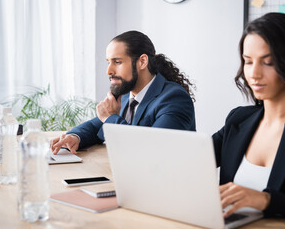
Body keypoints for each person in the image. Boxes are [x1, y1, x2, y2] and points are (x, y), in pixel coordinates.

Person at [212, 12, 285, 228]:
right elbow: (189, 161)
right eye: (247, 61)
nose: (253, 74)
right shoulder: (238, 119)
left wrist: (267, 201)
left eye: (268, 62)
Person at [51, 30, 196, 154]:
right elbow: (98, 124)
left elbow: (152, 150)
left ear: (142, 62)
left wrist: (110, 118)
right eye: (108, 62)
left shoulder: (174, 99)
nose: (109, 71)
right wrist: (76, 137)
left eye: (117, 62)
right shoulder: (127, 94)